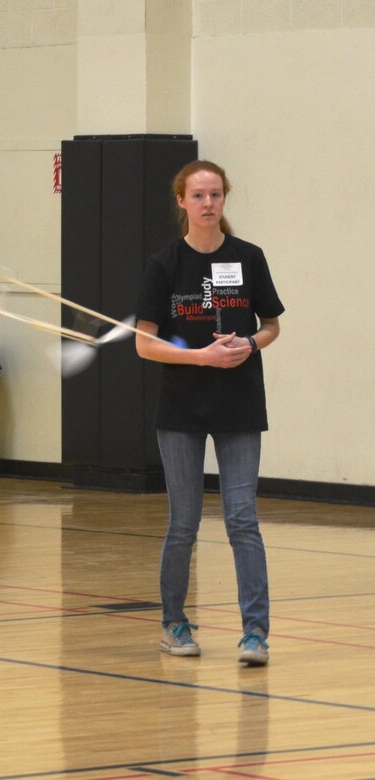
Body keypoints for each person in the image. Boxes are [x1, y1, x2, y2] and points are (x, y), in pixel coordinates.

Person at [135, 160, 284, 666]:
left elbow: (271, 327)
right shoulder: (164, 264)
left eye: (216, 195)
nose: (208, 204)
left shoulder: (249, 258)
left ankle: (255, 634)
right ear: (182, 201)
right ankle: (174, 624)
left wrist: (249, 343)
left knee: (243, 519)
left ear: (225, 199)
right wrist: (201, 356)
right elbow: (144, 344)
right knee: (184, 521)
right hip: (182, 409)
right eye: (198, 196)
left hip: (239, 405)